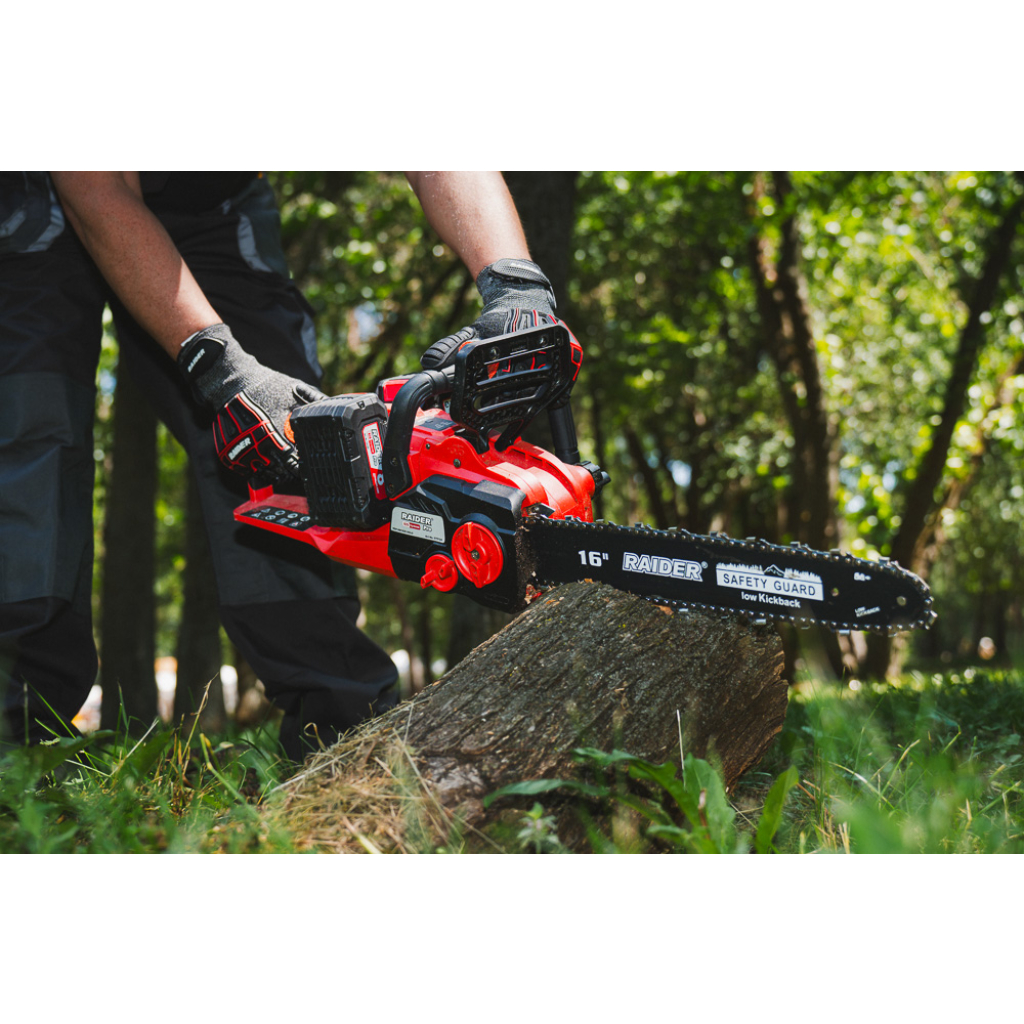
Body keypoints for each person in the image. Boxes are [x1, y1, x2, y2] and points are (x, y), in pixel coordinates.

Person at [0, 171, 564, 761]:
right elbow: (95, 188)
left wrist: (517, 285)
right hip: (40, 191)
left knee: (291, 433)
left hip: (213, 202)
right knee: (29, 427)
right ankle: (15, 732)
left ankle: (337, 723)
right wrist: (219, 367)